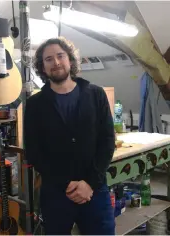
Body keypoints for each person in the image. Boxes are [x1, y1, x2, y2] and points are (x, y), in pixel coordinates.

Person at [24, 37, 116, 235]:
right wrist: (67, 185)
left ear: (70, 60)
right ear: (42, 67)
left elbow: (107, 142)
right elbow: (33, 151)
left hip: (95, 191)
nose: (56, 62)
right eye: (48, 59)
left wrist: (89, 183)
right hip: (56, 194)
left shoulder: (96, 94)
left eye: (60, 56)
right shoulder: (34, 104)